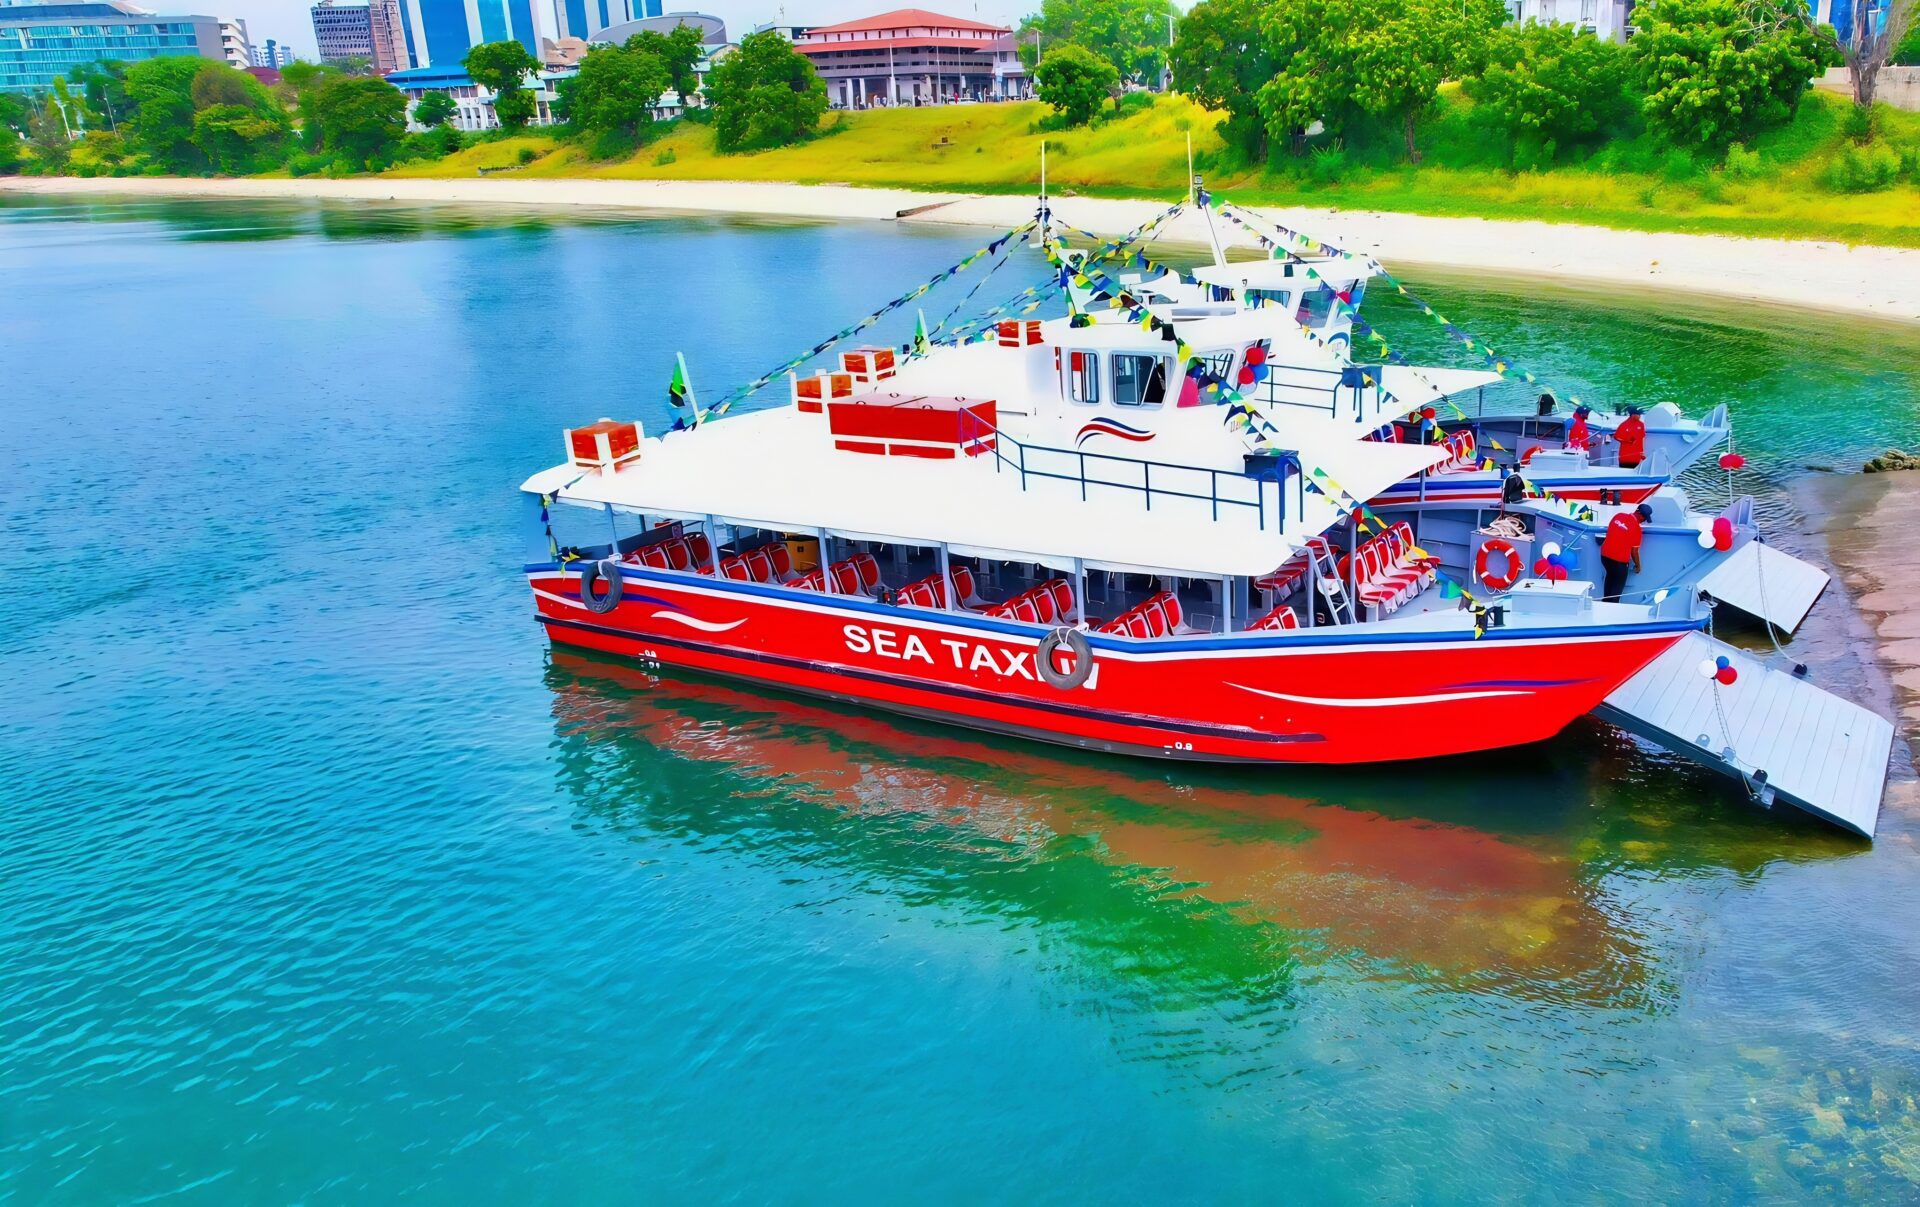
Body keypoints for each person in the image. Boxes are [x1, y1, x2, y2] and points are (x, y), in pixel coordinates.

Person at [1600, 503, 1653, 601]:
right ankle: (1611, 610)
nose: (1644, 520)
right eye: (1644, 518)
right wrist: (1638, 565)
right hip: (1619, 562)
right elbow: (1634, 551)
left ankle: (1604, 603)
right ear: (1639, 514)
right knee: (1616, 590)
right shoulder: (1637, 529)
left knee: (1610, 577)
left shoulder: (1618, 516)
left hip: (1605, 557)